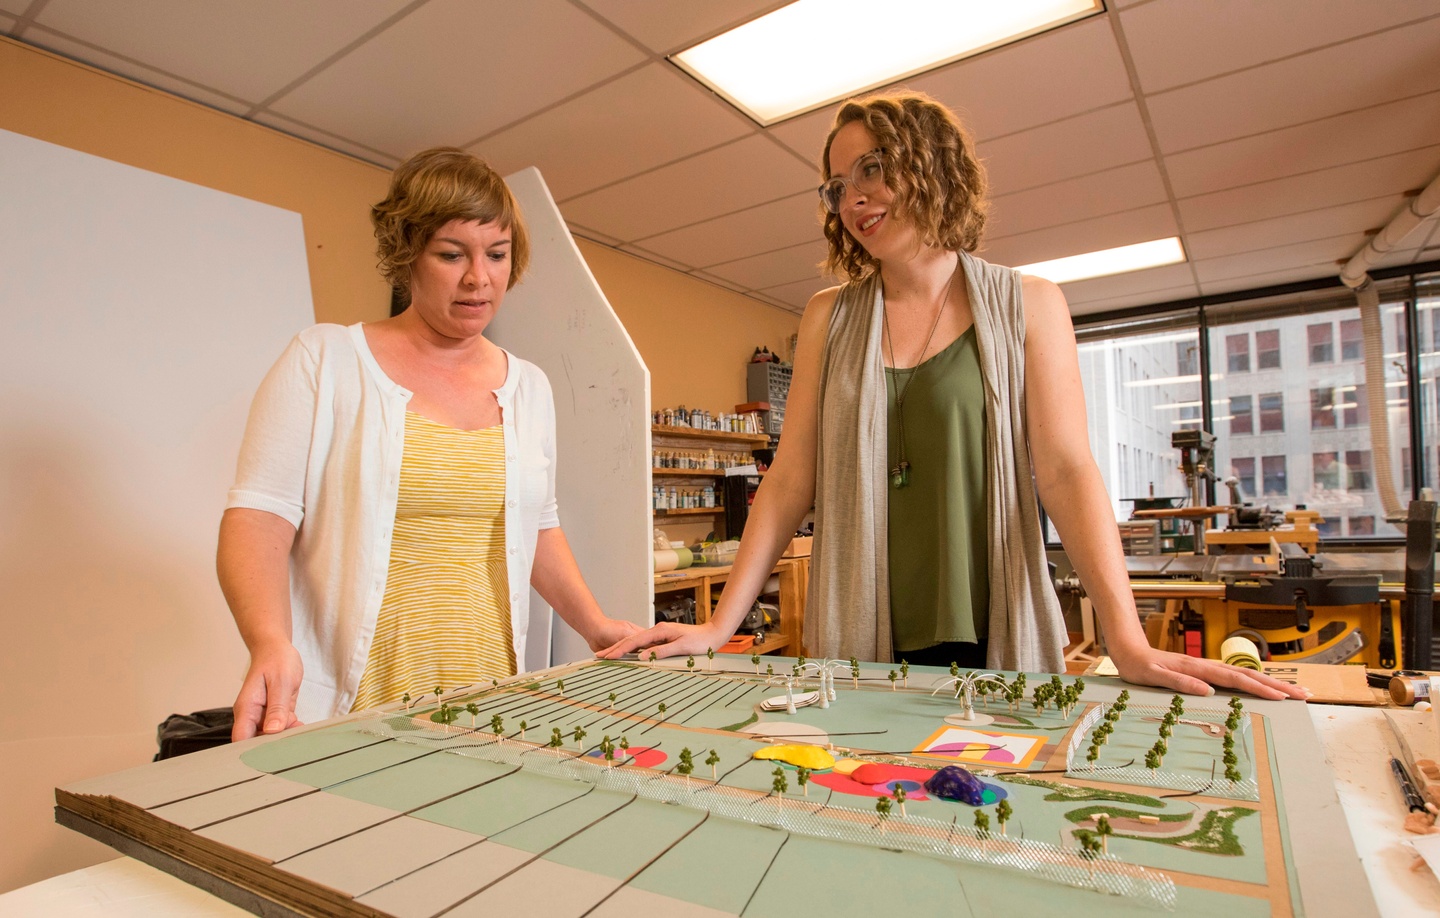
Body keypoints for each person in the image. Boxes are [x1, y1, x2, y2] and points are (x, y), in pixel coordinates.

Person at [602, 93, 1304, 701]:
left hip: (990, 629)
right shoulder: (828, 318)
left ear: (931, 166)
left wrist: (1127, 638)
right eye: (837, 185)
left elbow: (1066, 470)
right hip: (861, 632)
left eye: (873, 169)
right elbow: (789, 477)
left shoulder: (1030, 304)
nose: (852, 198)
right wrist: (721, 624)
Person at [220, 147, 639, 740]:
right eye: (451, 254)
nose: (479, 277)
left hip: (487, 695)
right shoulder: (326, 361)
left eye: (497, 254)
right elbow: (259, 518)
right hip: (353, 700)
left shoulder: (529, 388)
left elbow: (536, 525)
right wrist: (268, 641)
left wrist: (594, 624)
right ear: (406, 254)